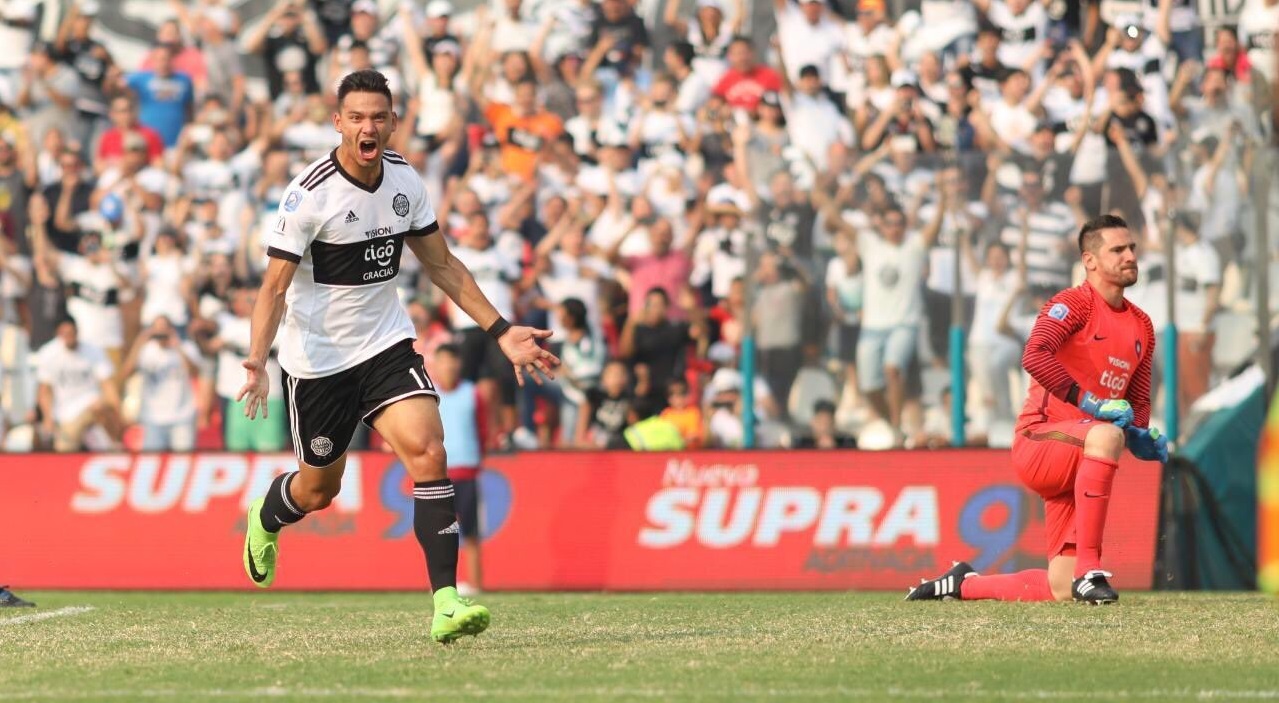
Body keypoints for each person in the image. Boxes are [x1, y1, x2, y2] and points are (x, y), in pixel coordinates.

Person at [237, 70, 558, 644]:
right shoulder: (309, 194)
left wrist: (501, 331)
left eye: (379, 117)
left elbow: (442, 265)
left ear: (392, 121)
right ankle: (268, 515)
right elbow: (273, 289)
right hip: (318, 364)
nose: (369, 127)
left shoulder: (405, 180)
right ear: (338, 123)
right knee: (318, 491)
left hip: (385, 345)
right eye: (357, 117)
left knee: (431, 453)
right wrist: (258, 361)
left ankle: (446, 605)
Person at [908, 215, 1167, 605]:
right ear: (1090, 260)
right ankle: (1090, 570)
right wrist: (1093, 406)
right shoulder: (1072, 304)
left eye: (1131, 248)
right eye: (1118, 249)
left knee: (1058, 589)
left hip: (1082, 456)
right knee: (1104, 434)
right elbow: (1034, 354)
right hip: (1041, 439)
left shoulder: (1142, 325)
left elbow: (1138, 399)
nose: (1130, 256)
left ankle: (963, 583)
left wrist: (1139, 435)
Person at [431, 343, 486, 595]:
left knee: (471, 532)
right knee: (439, 532)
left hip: (467, 470)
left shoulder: (471, 392)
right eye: (443, 361)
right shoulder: (429, 395)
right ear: (436, 365)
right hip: (438, 473)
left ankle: (475, 584)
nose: (448, 366)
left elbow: (483, 428)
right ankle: (443, 587)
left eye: (452, 360)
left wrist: (479, 457)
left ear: (459, 364)